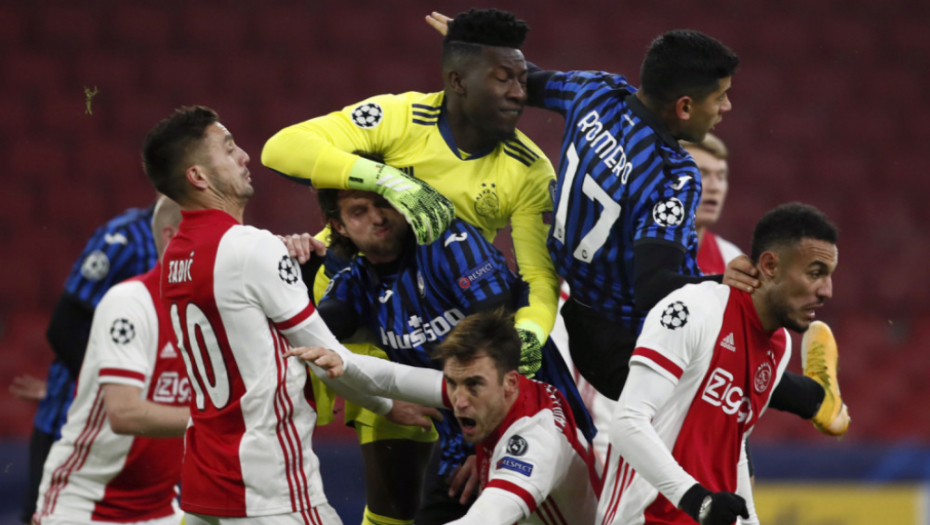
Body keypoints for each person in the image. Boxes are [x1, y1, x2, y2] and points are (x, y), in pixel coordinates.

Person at [425, 14, 848, 438]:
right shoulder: (672, 174)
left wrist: (477, 52)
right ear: (685, 107)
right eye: (720, 98)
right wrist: (719, 281)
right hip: (629, 348)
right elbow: (655, 288)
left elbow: (526, 82)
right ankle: (815, 399)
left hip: (574, 315)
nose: (726, 108)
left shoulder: (596, 92)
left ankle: (813, 399)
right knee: (730, 343)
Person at [264, 9, 560, 524]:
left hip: (448, 325)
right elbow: (279, 149)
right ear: (457, 82)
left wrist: (530, 334)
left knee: (448, 492)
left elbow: (537, 278)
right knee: (392, 501)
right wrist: (389, 181)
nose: (521, 92)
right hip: (365, 311)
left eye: (522, 78)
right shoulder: (400, 118)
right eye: (504, 78)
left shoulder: (530, 168)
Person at [141, 105, 436, 524]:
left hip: (205, 483)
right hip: (270, 486)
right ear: (199, 177)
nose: (244, 156)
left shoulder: (175, 257)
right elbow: (331, 359)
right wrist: (431, 394)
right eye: (229, 149)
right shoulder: (251, 247)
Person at [302, 177, 593, 524]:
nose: (378, 218)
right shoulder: (356, 284)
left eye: (382, 203)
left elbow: (499, 334)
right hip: (466, 444)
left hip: (523, 422)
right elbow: (328, 345)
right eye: (359, 211)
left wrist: (481, 447)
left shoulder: (448, 243)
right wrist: (300, 273)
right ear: (339, 226)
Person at [597, 203, 842, 525]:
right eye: (815, 273)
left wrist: (749, 520)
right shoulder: (695, 308)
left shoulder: (779, 345)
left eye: (829, 276)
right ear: (770, 265)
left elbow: (733, 444)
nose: (827, 291)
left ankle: (826, 402)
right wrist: (698, 501)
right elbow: (627, 423)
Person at [287, 310, 599, 525]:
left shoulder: (534, 440)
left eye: (473, 385)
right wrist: (344, 361)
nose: (458, 402)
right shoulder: (499, 391)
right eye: (452, 383)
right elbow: (394, 378)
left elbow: (484, 519)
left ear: (510, 383)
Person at [32, 196, 190, 525]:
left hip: (160, 501)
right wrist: (103, 382)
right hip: (86, 496)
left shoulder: (217, 305)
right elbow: (63, 328)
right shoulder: (126, 273)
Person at [682, 134, 742, 274]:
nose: (715, 187)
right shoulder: (631, 252)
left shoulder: (731, 260)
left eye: (721, 177)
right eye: (701, 174)